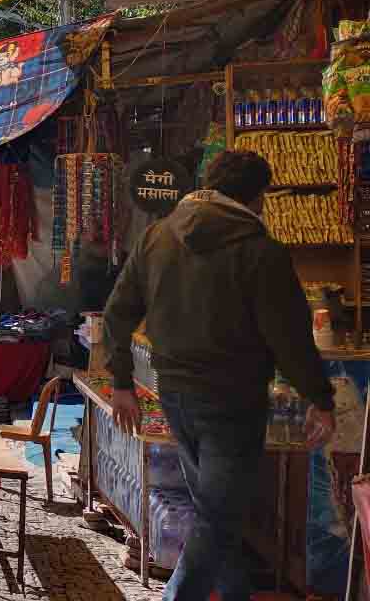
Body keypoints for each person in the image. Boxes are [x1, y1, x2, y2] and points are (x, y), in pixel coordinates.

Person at [102, 150, 336, 601]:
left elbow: (116, 314)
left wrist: (123, 382)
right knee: (219, 518)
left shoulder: (157, 237)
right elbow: (288, 334)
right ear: (255, 198)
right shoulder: (260, 250)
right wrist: (320, 399)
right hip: (232, 400)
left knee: (216, 512)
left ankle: (235, 595)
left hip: (174, 394)